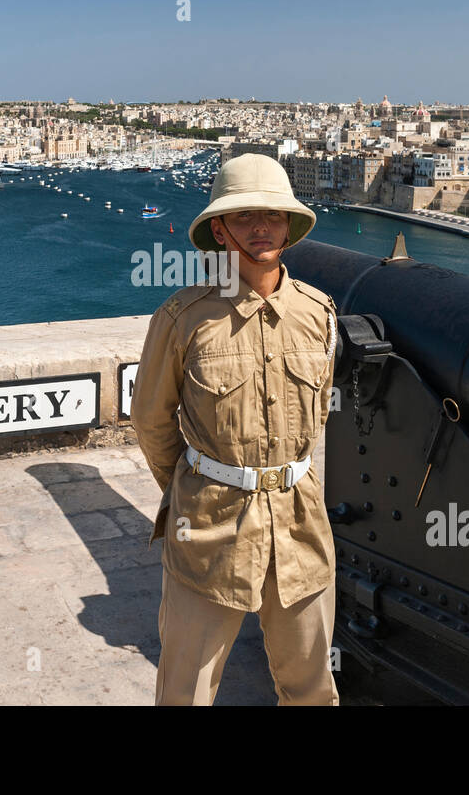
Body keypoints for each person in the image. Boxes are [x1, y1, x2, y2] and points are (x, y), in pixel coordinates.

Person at [130, 152, 339, 705]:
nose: (262, 227)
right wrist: (192, 487)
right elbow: (152, 423)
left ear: (289, 226)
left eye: (272, 215)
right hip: (210, 529)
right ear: (219, 230)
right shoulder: (183, 318)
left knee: (312, 687)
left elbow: (315, 420)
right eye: (245, 217)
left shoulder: (318, 313)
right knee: (186, 690)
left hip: (300, 528)